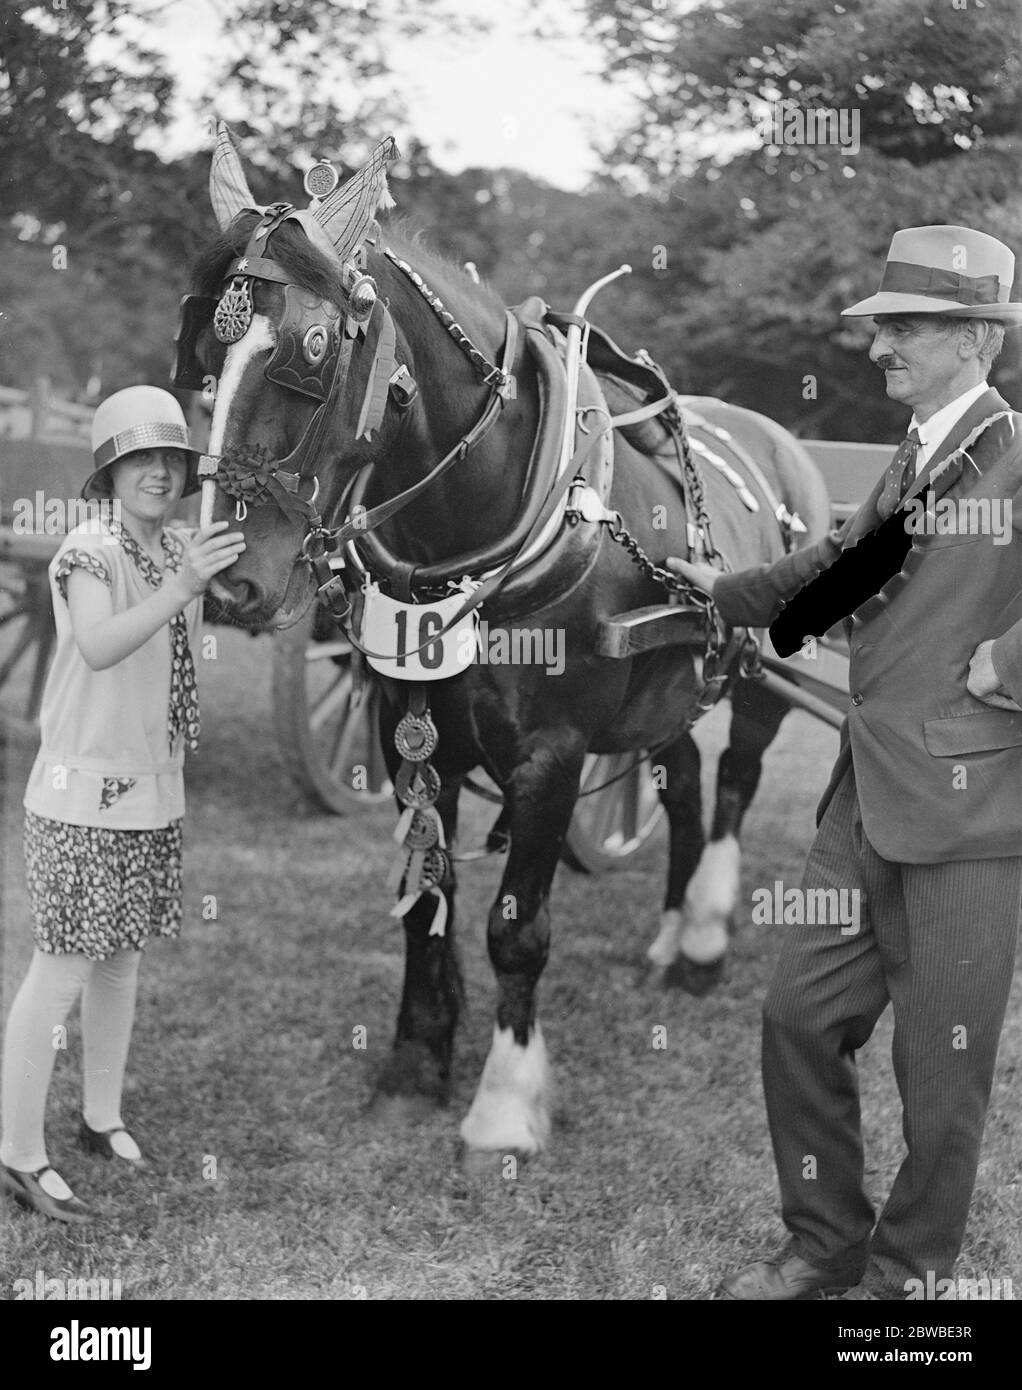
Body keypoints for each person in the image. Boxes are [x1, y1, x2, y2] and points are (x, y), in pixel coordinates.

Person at [668, 225, 1022, 1299]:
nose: (877, 348)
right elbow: (839, 565)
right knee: (794, 1018)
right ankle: (822, 1241)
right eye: (876, 330)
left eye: (902, 329)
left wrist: (1007, 656)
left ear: (972, 339)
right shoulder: (919, 450)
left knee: (939, 1073)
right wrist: (717, 591)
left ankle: (906, 1270)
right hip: (858, 798)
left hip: (969, 815)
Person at [0, 386, 244, 1222]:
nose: (159, 472)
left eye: (171, 458)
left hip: (150, 789)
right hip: (78, 797)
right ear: (108, 471)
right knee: (62, 965)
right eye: (140, 458)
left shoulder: (175, 545)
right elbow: (101, 646)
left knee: (122, 955)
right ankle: (18, 1155)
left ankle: (101, 1115)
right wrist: (183, 585)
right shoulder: (87, 549)